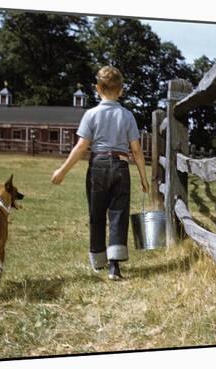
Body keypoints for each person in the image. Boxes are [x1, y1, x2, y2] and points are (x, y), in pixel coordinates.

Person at [51, 66, 149, 280]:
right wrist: (143, 177)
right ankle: (114, 266)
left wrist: (62, 170)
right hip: (121, 167)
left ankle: (98, 261)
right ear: (121, 90)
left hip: (98, 166)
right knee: (118, 214)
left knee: (96, 215)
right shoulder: (127, 116)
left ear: (97, 89)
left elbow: (80, 147)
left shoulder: (91, 114)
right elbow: (137, 150)